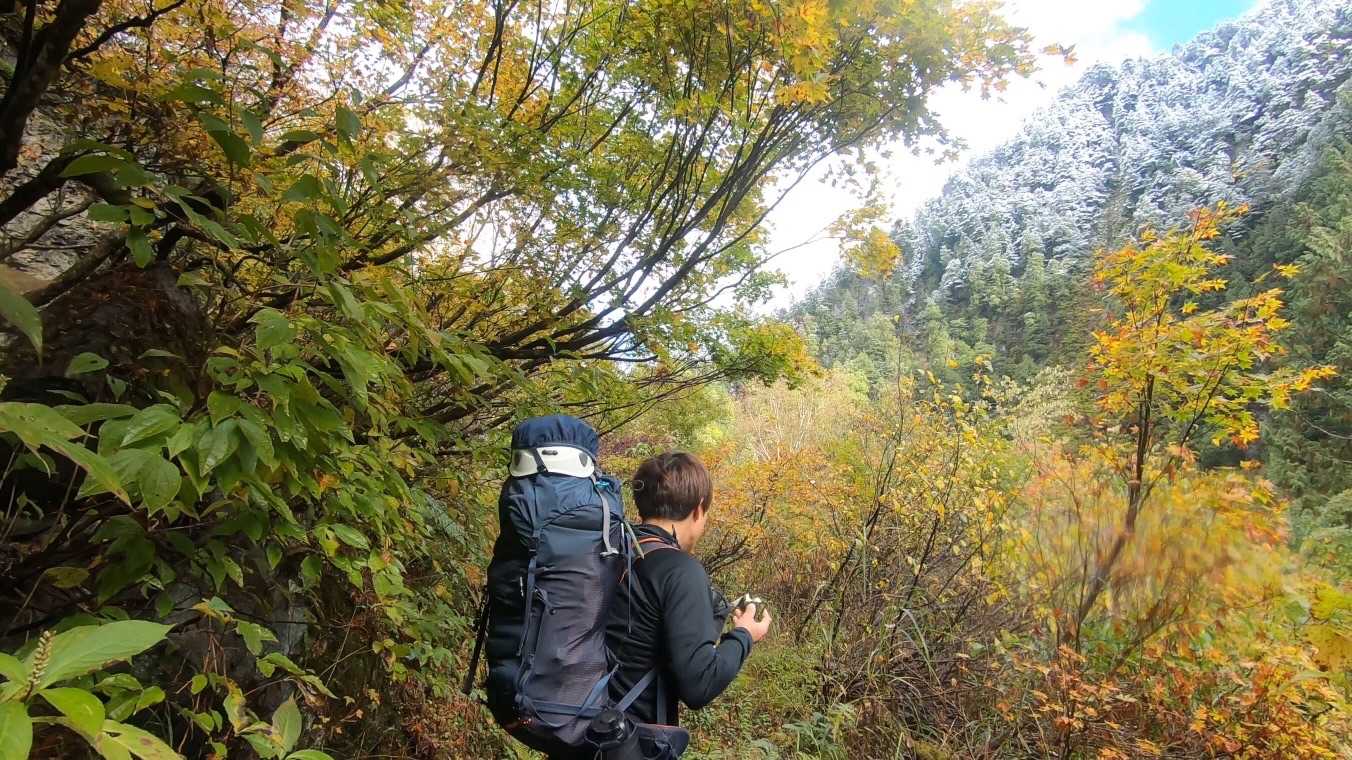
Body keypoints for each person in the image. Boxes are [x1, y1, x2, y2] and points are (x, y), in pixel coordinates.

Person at [604, 451, 772, 738]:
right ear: (698, 510)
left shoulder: (614, 550)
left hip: (580, 729)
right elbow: (699, 686)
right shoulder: (680, 569)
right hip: (627, 742)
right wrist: (745, 634)